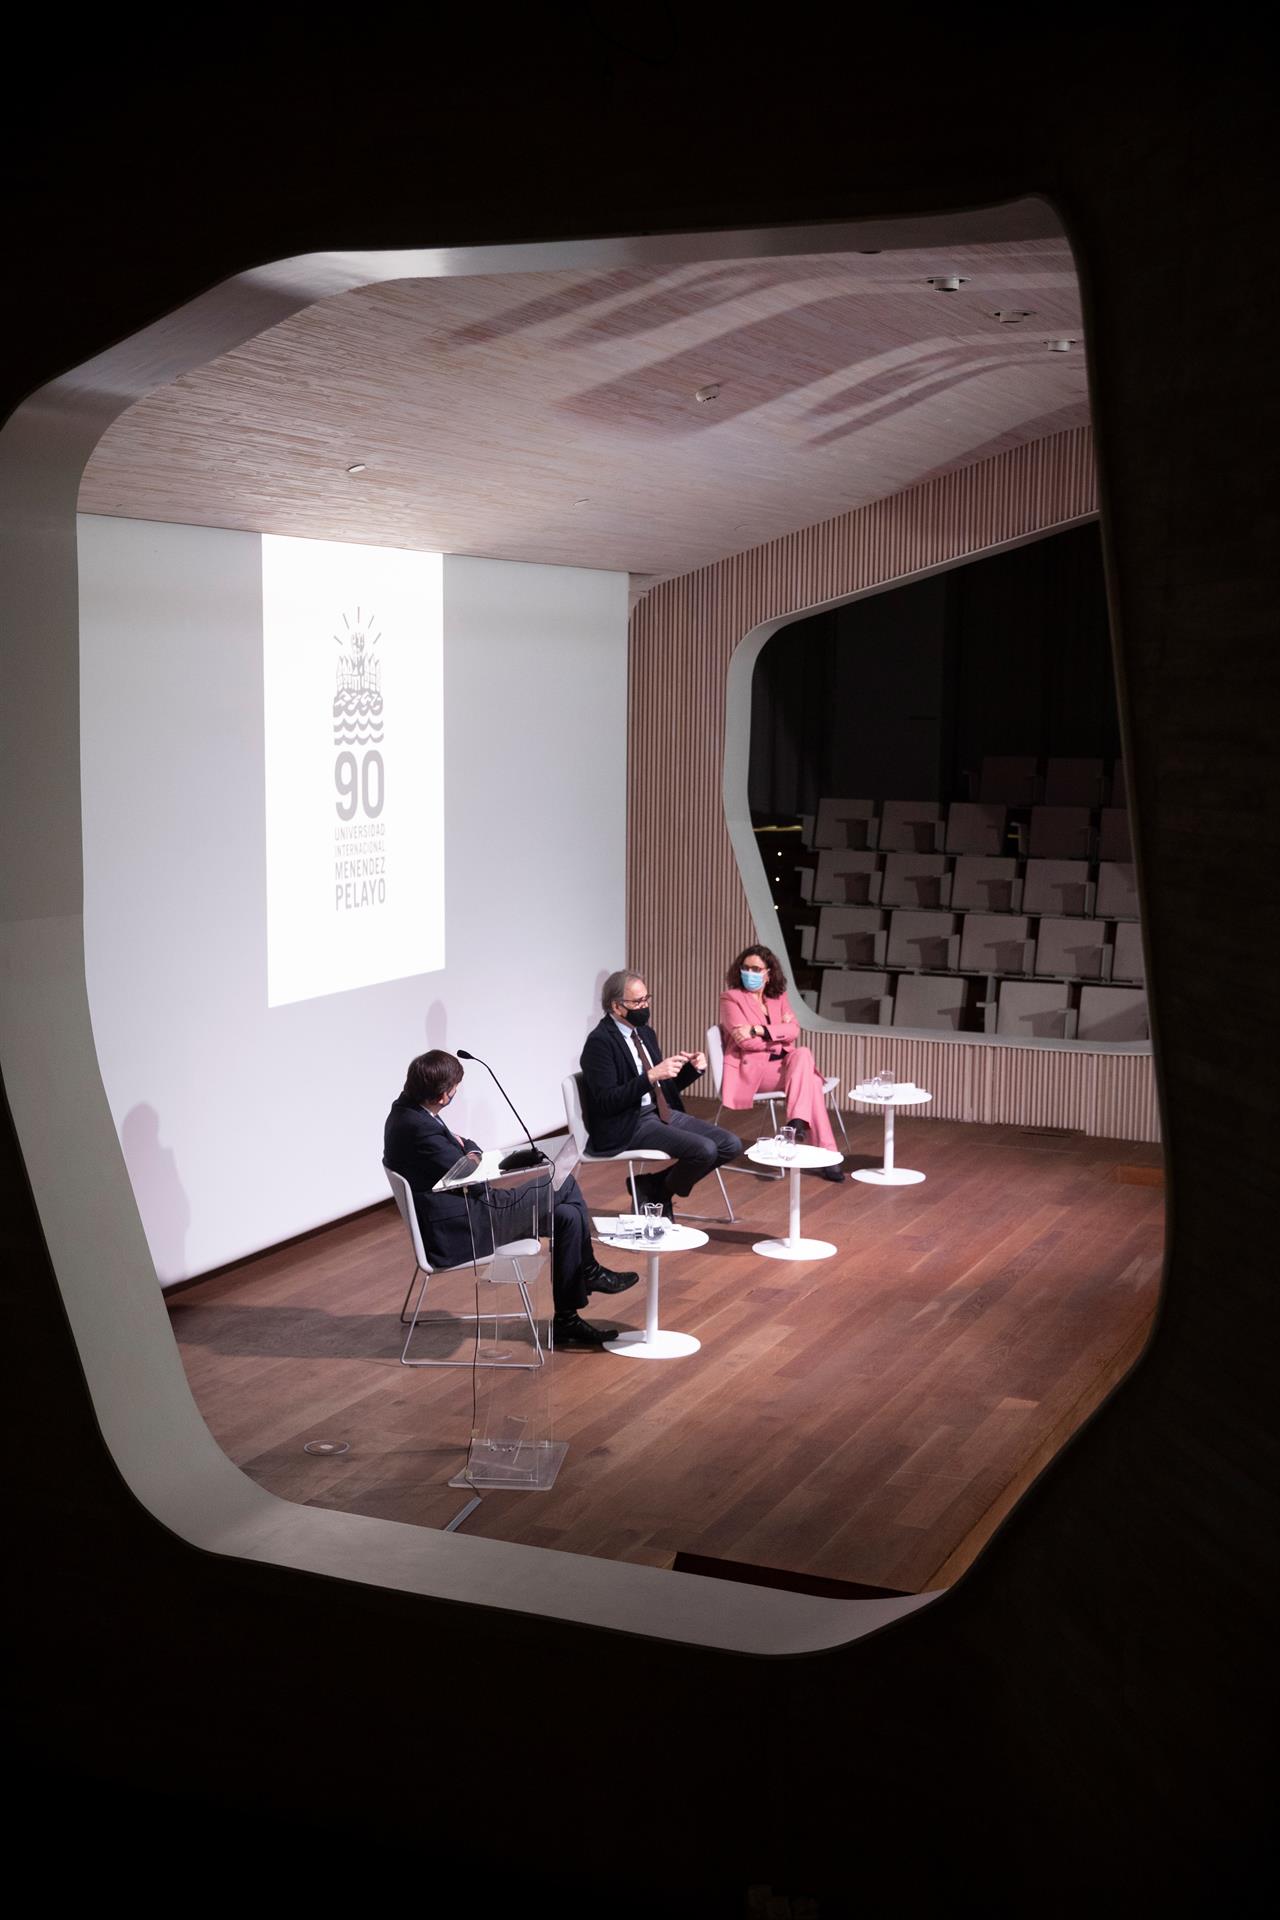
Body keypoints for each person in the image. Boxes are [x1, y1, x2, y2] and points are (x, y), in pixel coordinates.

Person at [384, 1050, 636, 1351]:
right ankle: (590, 1271)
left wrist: (468, 1150)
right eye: (454, 1090)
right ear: (442, 1096)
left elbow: (465, 1151)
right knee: (565, 1183)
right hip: (465, 1230)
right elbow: (472, 1175)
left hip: (469, 1211)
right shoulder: (418, 1127)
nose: (455, 1094)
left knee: (567, 1216)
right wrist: (470, 1151)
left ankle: (566, 1321)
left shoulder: (408, 1111)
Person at [580, 970, 742, 1215]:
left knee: (730, 1144)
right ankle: (656, 1190)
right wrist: (651, 1076)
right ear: (616, 1006)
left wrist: (692, 1070)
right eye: (637, 1002)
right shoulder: (600, 1043)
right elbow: (606, 1101)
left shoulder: (645, 1033)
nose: (645, 1006)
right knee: (704, 1150)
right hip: (628, 1122)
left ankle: (655, 1187)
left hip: (659, 1111)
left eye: (646, 999)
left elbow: (662, 1088)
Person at [719, 945, 845, 1181]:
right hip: (754, 1071)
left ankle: (797, 1124)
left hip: (785, 1066)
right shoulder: (731, 999)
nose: (749, 973)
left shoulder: (778, 998)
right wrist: (779, 1037)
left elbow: (794, 1030)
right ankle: (826, 1152)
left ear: (768, 974)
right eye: (745, 968)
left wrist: (759, 1030)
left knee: (803, 1054)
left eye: (756, 969)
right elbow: (746, 1043)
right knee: (809, 1082)